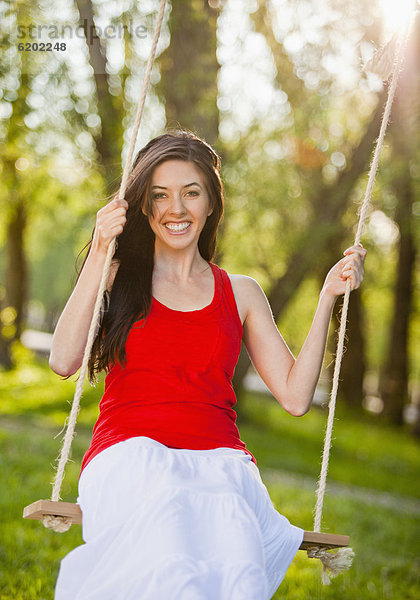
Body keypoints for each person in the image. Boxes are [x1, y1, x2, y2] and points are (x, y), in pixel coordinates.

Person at [50, 129, 366, 599]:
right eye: (160, 195)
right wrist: (99, 250)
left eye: (190, 193)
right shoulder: (117, 276)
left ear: (211, 202)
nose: (175, 209)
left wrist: (327, 297)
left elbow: (296, 397)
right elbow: (62, 359)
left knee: (228, 531)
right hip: (130, 454)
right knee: (166, 514)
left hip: (219, 460)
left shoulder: (241, 293)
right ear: (143, 205)